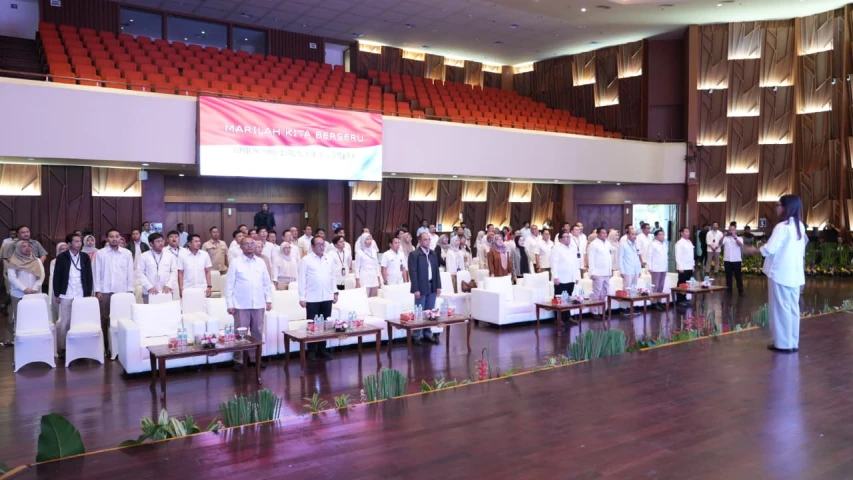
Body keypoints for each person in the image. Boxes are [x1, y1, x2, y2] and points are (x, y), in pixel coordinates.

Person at [757, 195, 807, 353]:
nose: (776, 208)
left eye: (778, 205)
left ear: (785, 207)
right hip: (794, 274)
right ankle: (792, 342)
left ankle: (783, 344)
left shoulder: (782, 227)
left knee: (780, 309)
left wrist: (754, 250)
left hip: (780, 273)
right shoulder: (800, 226)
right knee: (792, 309)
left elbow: (770, 249)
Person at [226, 236, 272, 370]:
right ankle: (239, 360)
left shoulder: (260, 262)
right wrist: (229, 304)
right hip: (241, 304)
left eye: (252, 243)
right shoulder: (235, 262)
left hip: (258, 303)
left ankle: (255, 358)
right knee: (240, 333)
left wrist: (268, 300)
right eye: (246, 244)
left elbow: (266, 283)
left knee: (257, 332)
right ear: (241, 247)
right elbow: (229, 285)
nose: (250, 246)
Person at [94, 229, 135, 352]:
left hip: (122, 290)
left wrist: (130, 290)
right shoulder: (100, 253)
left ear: (120, 238)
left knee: (122, 318)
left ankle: (122, 346)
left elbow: (130, 272)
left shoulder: (127, 253)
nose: (114, 239)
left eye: (117, 236)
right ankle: (105, 347)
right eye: (111, 237)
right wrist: (97, 290)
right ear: (107, 239)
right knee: (104, 318)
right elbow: (96, 272)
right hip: (105, 290)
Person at [53, 233, 94, 355]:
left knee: (81, 321)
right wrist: (57, 294)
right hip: (66, 293)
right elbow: (57, 276)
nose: (79, 243)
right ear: (69, 244)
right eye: (76, 241)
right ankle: (63, 348)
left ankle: (80, 346)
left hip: (81, 293)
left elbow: (89, 276)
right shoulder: (62, 257)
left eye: (80, 241)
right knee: (65, 322)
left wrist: (88, 293)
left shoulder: (84, 256)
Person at [298, 235, 337, 360]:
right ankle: (311, 352)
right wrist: (302, 297)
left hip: (327, 296)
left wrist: (335, 292)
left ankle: (322, 350)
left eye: (323, 244)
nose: (321, 247)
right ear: (313, 246)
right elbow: (301, 280)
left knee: (325, 324)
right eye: (319, 244)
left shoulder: (329, 258)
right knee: (313, 325)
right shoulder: (306, 260)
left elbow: (333, 277)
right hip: (312, 297)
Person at [6, 240, 45, 345]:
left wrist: (35, 288)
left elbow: (42, 275)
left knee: (33, 316)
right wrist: (24, 289)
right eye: (24, 246)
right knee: (20, 318)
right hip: (19, 294)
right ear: (18, 249)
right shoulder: (13, 261)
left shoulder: (37, 260)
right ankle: (19, 340)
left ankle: (34, 338)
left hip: (34, 294)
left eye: (28, 246)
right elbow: (12, 278)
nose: (27, 248)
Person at [409, 232, 442, 345]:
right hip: (421, 286)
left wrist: (438, 286)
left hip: (432, 285)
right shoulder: (414, 254)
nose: (428, 242)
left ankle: (427, 333)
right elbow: (413, 273)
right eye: (425, 240)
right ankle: (417, 335)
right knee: (419, 311)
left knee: (430, 311)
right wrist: (415, 289)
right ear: (419, 241)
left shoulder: (433, 253)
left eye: (429, 239)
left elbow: (436, 271)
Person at [136, 233, 177, 304]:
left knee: (167, 309)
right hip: (149, 291)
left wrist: (169, 285)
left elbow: (174, 271)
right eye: (158, 241)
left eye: (162, 241)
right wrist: (149, 287)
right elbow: (140, 273)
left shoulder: (170, 256)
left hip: (166, 290)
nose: (161, 243)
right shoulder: (144, 256)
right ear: (151, 244)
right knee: (150, 310)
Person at [587, 228, 612, 319]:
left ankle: (602, 311)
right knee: (596, 293)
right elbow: (591, 258)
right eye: (603, 233)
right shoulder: (594, 244)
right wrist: (592, 272)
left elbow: (609, 257)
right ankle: (594, 312)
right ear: (597, 234)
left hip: (606, 272)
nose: (605, 234)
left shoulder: (608, 243)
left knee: (604, 293)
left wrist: (610, 271)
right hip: (597, 272)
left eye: (606, 233)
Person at [618, 226, 642, 315]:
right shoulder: (623, 244)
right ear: (627, 235)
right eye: (632, 234)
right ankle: (623, 308)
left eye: (635, 234)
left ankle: (630, 306)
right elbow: (620, 258)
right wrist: (622, 271)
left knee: (633, 289)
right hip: (627, 270)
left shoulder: (636, 244)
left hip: (635, 270)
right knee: (626, 289)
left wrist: (639, 270)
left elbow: (637, 257)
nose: (634, 236)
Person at [551, 231, 579, 298]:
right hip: (561, 279)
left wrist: (576, 276)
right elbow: (554, 263)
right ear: (560, 239)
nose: (568, 238)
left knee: (568, 299)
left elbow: (575, 263)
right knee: (559, 300)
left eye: (568, 237)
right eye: (565, 237)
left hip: (571, 278)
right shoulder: (556, 248)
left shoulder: (572, 248)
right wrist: (555, 277)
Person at [647, 229, 668, 311]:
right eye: (660, 234)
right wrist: (650, 267)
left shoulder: (664, 244)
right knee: (655, 286)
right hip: (656, 268)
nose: (662, 236)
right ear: (656, 236)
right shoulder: (653, 244)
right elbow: (649, 256)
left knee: (661, 286)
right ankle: (654, 303)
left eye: (663, 234)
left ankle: (659, 301)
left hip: (663, 267)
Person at [722, 222, 744, 296]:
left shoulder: (739, 238)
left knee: (738, 276)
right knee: (728, 276)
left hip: (736, 260)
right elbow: (720, 243)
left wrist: (735, 237)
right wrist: (723, 236)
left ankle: (740, 290)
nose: (731, 231)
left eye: (733, 230)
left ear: (735, 230)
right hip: (727, 260)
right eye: (730, 230)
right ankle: (729, 290)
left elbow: (740, 244)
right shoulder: (726, 239)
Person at [675, 227, 695, 305]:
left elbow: (691, 255)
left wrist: (693, 265)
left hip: (689, 266)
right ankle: (680, 299)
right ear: (681, 233)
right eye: (686, 231)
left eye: (688, 232)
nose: (688, 233)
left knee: (687, 283)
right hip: (683, 267)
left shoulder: (689, 242)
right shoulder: (679, 243)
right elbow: (678, 256)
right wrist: (680, 266)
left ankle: (684, 297)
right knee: (681, 283)